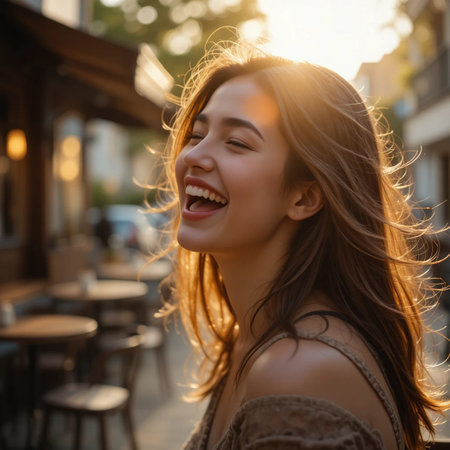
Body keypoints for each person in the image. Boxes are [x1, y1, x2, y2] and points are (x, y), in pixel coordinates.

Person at [154, 41, 448, 449]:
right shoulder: (255, 334)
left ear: (304, 197)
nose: (194, 157)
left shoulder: (297, 372)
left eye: (236, 142)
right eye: (197, 134)